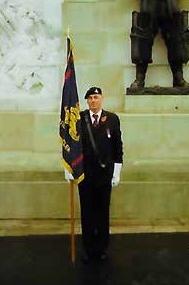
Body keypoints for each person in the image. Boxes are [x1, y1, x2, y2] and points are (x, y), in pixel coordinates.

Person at [65, 86, 123, 264]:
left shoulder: (112, 119)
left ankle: (102, 248)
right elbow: (72, 144)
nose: (93, 101)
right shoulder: (80, 119)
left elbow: (117, 147)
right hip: (86, 175)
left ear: (102, 98)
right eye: (90, 98)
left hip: (105, 175)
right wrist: (69, 168)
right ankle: (89, 249)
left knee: (103, 213)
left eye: (96, 97)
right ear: (87, 101)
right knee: (88, 213)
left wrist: (117, 172)